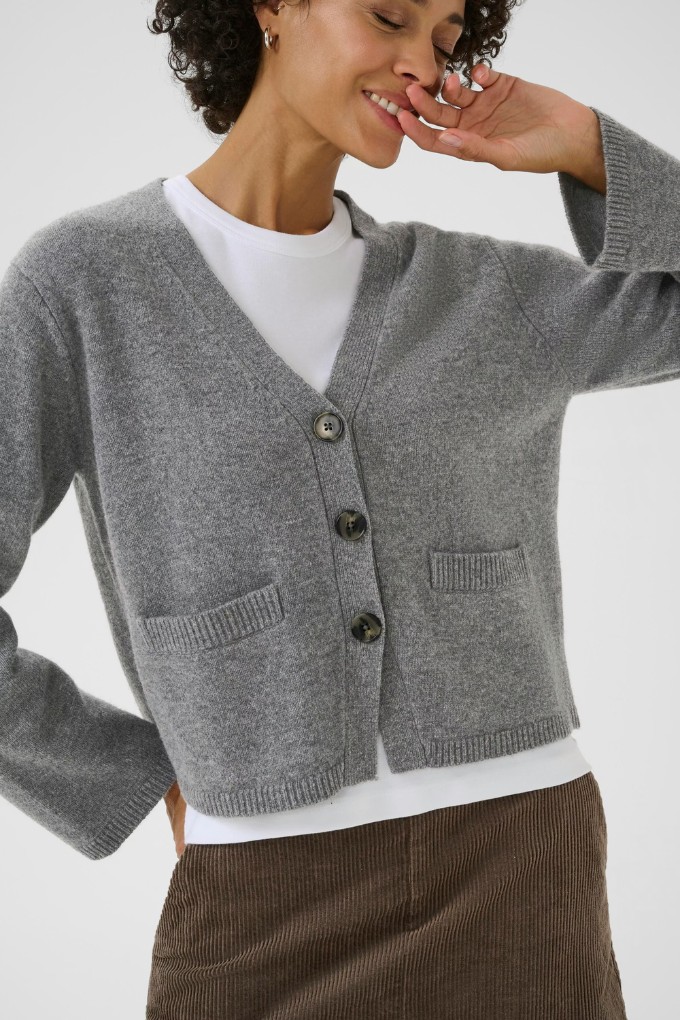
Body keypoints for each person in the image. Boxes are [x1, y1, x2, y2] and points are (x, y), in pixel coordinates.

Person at [8, 0, 679, 1015]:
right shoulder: (83, 286)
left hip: (518, 868)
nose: (421, 64)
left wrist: (581, 143)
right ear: (271, 7)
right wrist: (129, 777)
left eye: (445, 42)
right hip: (257, 901)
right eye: (389, 15)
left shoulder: (480, 291)